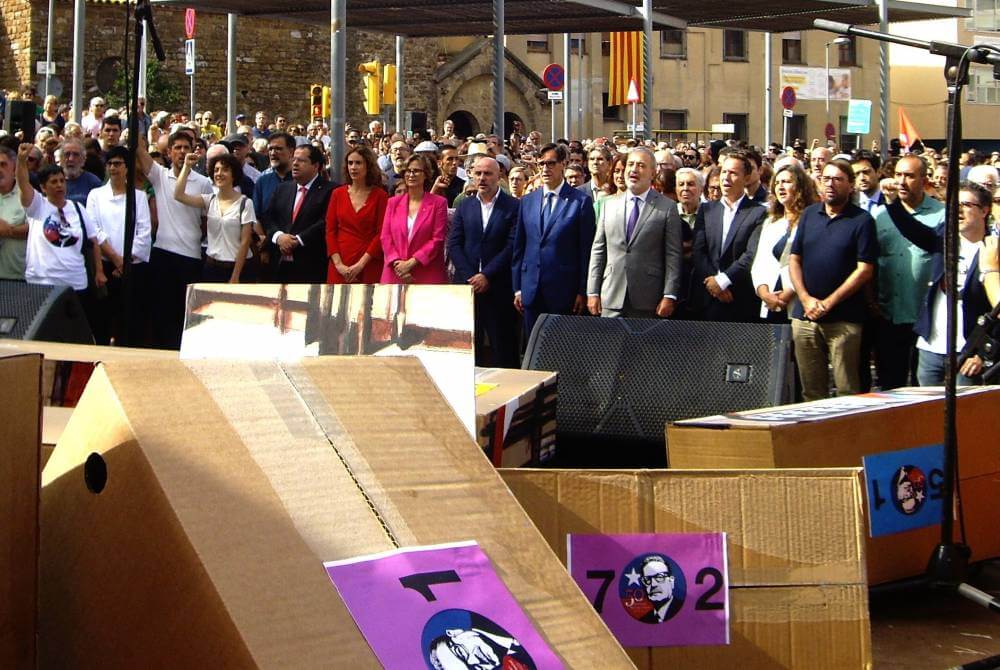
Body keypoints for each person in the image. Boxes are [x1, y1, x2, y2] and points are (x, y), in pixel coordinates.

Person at [881, 181, 994, 385]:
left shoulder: (992, 250)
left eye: (967, 205)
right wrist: (892, 202)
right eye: (954, 204)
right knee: (927, 410)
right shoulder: (945, 237)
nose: (958, 210)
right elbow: (913, 230)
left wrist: (984, 354)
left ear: (984, 210)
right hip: (931, 347)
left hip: (968, 351)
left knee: (964, 414)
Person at [789, 159, 878, 400]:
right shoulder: (809, 215)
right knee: (811, 390)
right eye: (826, 178)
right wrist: (806, 299)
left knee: (848, 390)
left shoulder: (862, 221)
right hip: (805, 316)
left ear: (850, 186)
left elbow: (864, 270)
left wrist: (829, 302)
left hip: (844, 319)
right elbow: (794, 259)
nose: (830, 184)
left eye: (838, 179)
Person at [136, 131, 215, 349]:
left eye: (186, 148)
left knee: (185, 314)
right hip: (163, 253)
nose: (182, 152)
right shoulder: (160, 175)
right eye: (177, 148)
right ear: (169, 152)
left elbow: (206, 220)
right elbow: (139, 151)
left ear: (194, 151)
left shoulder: (203, 183)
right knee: (162, 312)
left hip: (190, 256)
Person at [871, 155, 944, 389]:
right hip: (889, 314)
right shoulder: (880, 215)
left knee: (924, 387)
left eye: (909, 176)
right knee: (890, 386)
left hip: (924, 316)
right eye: (898, 175)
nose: (901, 181)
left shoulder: (942, 215)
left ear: (924, 180)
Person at [587, 147, 683, 319]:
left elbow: (673, 255)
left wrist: (669, 295)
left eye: (640, 165)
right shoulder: (608, 205)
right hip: (611, 296)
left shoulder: (667, 207)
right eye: (630, 164)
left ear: (653, 173)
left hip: (648, 298)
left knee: (643, 346)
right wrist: (592, 291)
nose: (633, 169)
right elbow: (598, 250)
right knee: (609, 345)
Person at [15, 143, 121, 298]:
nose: (59, 185)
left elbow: (94, 241)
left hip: (75, 282)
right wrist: (21, 161)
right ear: (43, 188)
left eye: (61, 181)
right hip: (43, 282)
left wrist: (99, 271)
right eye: (53, 182)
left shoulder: (78, 208)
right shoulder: (37, 206)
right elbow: (23, 184)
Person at [511, 143, 596, 335]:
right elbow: (519, 248)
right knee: (533, 351)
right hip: (531, 289)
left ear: (563, 164)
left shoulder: (580, 202)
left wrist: (582, 290)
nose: (545, 169)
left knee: (560, 350)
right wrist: (518, 288)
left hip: (564, 292)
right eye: (541, 164)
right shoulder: (527, 201)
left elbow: (586, 251)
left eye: (550, 163)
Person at [448, 156, 520, 366]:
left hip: (498, 287)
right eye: (478, 173)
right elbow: (454, 244)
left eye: (488, 174)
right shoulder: (465, 206)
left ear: (499, 176)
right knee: (468, 348)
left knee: (502, 349)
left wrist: (486, 275)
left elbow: (512, 246)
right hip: (467, 288)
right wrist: (472, 277)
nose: (482, 178)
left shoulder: (513, 207)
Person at [85, 145, 153, 345]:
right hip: (105, 268)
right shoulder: (95, 195)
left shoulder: (139, 197)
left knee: (131, 322)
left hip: (132, 268)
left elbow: (144, 232)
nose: (113, 168)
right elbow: (94, 231)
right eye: (110, 164)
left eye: (118, 163)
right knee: (103, 321)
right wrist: (115, 259)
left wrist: (126, 262)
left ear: (126, 167)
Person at [690, 152, 768, 322]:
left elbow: (750, 254)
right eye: (724, 172)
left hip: (739, 297)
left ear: (746, 179)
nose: (726, 177)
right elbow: (699, 251)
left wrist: (724, 280)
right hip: (707, 297)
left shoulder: (758, 212)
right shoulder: (707, 210)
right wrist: (714, 284)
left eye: (733, 173)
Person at [174, 151, 256, 283]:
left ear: (233, 174)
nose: (219, 174)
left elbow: (245, 241)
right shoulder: (209, 200)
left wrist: (235, 276)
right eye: (216, 170)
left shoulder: (245, 203)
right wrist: (186, 166)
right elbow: (178, 195)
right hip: (212, 267)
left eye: (225, 170)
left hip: (238, 268)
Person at [750, 164, 817, 322]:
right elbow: (759, 264)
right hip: (770, 304)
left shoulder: (812, 220)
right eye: (777, 183)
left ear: (800, 187)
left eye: (786, 182)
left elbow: (808, 263)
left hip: (798, 305)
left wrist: (787, 293)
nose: (781, 187)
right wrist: (764, 293)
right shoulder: (771, 222)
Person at [262, 144, 335, 283]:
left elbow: (326, 221)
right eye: (294, 159)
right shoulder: (282, 188)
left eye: (301, 161)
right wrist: (279, 237)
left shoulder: (330, 190)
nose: (295, 164)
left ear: (315, 166)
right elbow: (268, 217)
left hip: (311, 265)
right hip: (279, 265)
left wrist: (298, 240)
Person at [379, 154, 449, 284]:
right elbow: (385, 237)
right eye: (408, 171)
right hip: (395, 273)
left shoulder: (439, 203)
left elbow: (437, 240)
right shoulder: (393, 203)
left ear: (426, 174)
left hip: (427, 274)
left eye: (416, 171)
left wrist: (411, 263)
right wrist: (398, 265)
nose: (411, 174)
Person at [325, 145, 387, 284]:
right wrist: (339, 265)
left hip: (369, 263)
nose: (353, 167)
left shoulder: (380, 196)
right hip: (340, 262)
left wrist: (360, 265)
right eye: (350, 163)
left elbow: (381, 233)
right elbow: (330, 231)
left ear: (368, 166)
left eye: (358, 163)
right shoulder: (337, 194)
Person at [0, 146, 27, 280]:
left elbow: (36, 229)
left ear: (14, 168)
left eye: (3, 164)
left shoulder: (26, 196)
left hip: (16, 276)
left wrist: (9, 230)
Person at [639, 555, 679, 624]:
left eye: (659, 577)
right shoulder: (644, 619)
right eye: (647, 579)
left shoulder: (685, 611)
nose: (653, 584)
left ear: (671, 581)